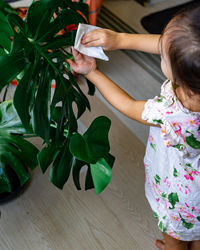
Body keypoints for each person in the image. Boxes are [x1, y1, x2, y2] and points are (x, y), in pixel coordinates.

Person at [67, 4, 200, 250]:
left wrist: (92, 73)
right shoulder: (192, 76)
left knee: (176, 235)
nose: (160, 48)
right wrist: (118, 39)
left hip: (182, 197)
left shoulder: (171, 112)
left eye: (163, 55)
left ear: (181, 76)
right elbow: (172, 44)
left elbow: (128, 105)